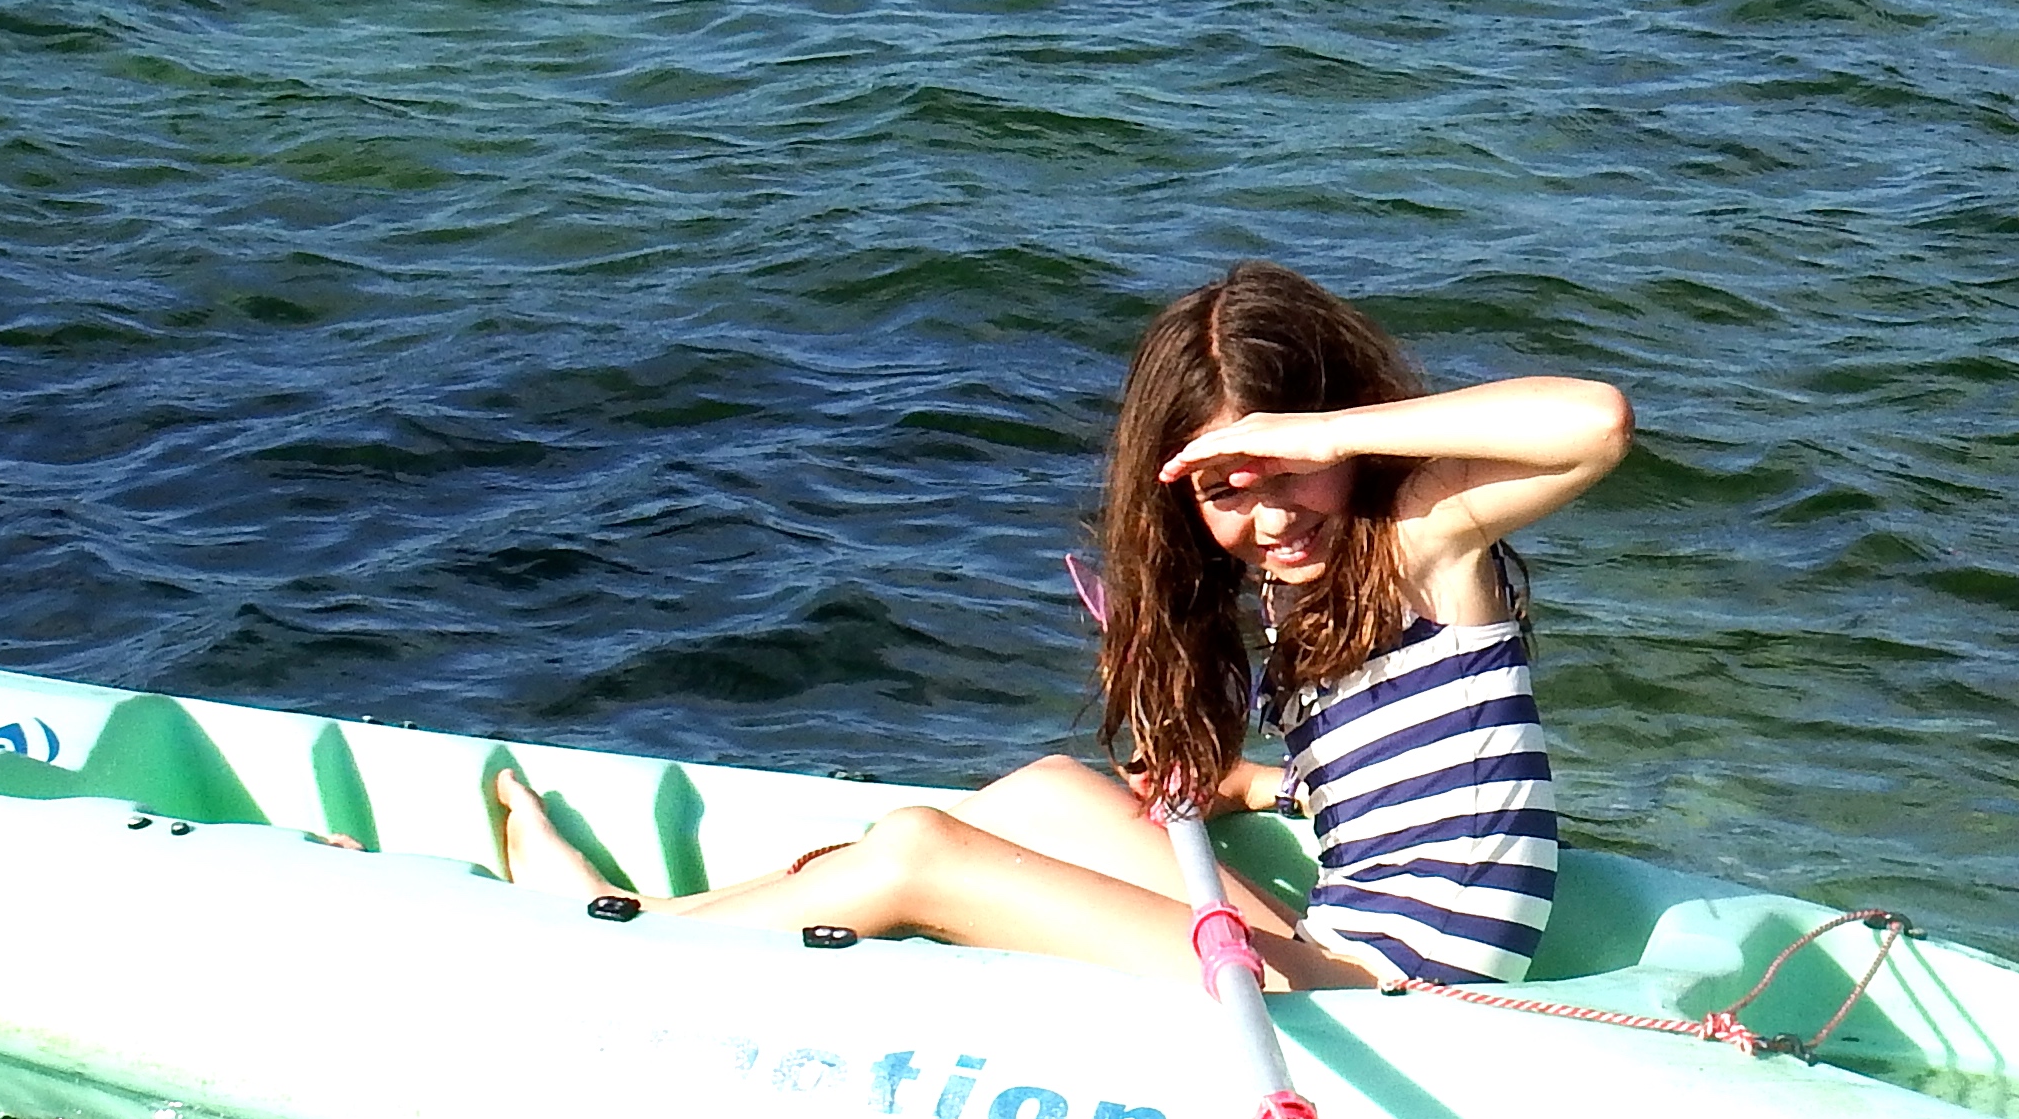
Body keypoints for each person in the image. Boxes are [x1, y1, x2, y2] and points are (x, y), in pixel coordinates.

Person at [487, 263, 1632, 992]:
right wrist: (1257, 785)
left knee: (922, 855)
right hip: (1335, 943)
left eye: (1291, 473)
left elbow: (1593, 421)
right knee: (1045, 789)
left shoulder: (1417, 540)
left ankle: (615, 950)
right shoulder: (1303, 591)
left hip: (1384, 988)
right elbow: (1411, 759)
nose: (1271, 514)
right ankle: (650, 923)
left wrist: (1338, 435)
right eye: (1225, 490)